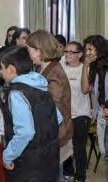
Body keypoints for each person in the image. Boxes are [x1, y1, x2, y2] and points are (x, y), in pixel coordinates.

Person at [0, 47, 62, 181]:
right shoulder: (41, 86)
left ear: (11, 69)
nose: (0, 72)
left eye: (1, 68)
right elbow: (58, 118)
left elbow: (25, 132)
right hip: (50, 160)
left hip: (28, 165)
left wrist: (8, 156)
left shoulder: (16, 93)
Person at [26, 30, 72, 181]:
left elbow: (53, 108)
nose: (29, 54)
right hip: (49, 133)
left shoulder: (54, 73)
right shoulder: (44, 68)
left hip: (55, 134)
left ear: (40, 50)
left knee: (53, 175)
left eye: (30, 50)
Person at [60, 41, 91, 181]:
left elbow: (85, 90)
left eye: (71, 52)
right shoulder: (61, 67)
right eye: (66, 51)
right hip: (64, 115)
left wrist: (86, 65)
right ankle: (68, 172)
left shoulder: (86, 69)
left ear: (80, 55)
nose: (67, 54)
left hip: (81, 115)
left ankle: (80, 176)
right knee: (64, 146)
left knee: (79, 148)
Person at [82, 35, 108, 160]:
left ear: (100, 49)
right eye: (86, 50)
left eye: (90, 49)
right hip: (102, 114)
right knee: (104, 151)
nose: (87, 53)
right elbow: (85, 89)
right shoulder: (93, 67)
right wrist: (85, 66)